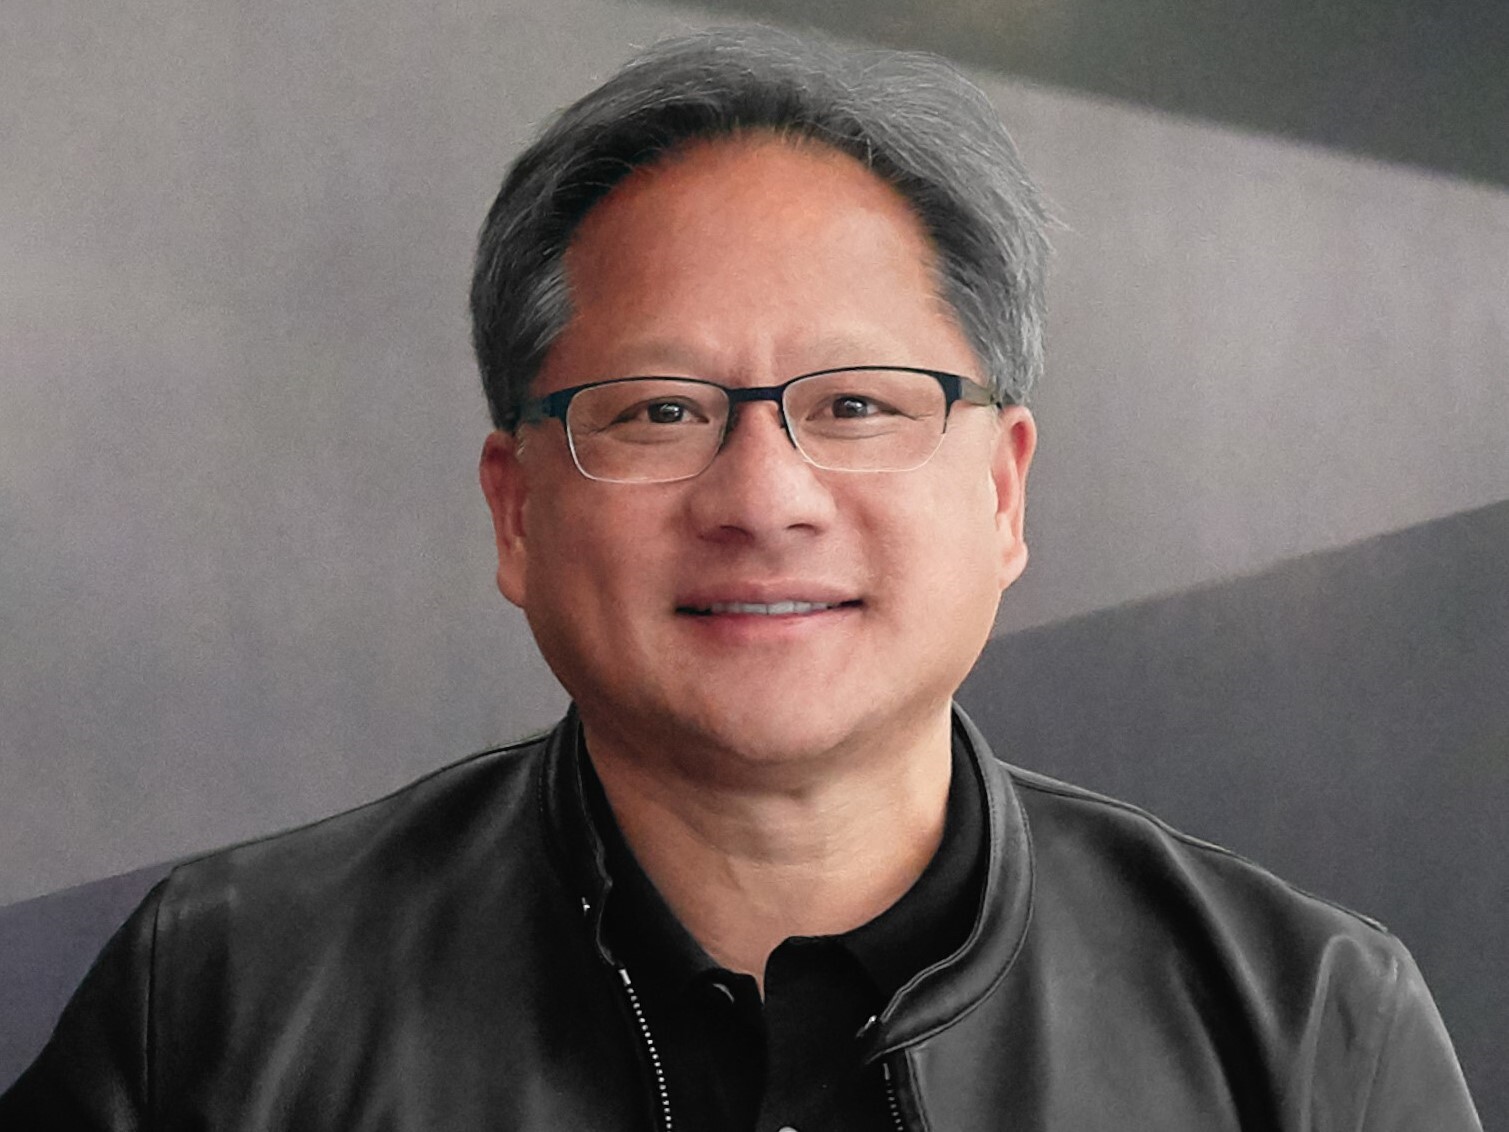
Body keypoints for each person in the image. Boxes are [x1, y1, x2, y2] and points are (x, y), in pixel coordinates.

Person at [0, 26, 1481, 1131]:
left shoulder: (1301, 1034)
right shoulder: (217, 1005)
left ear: (1002, 488)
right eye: (657, 412)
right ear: (515, 515)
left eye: (856, 406)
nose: (763, 498)